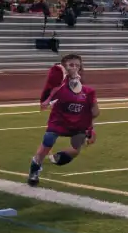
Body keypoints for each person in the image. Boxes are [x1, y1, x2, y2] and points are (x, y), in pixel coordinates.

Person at [29, 54, 98, 186]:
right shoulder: (59, 86)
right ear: (64, 67)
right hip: (59, 121)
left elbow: (90, 112)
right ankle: (35, 169)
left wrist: (90, 129)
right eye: (71, 65)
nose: (75, 68)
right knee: (48, 141)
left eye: (77, 65)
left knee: (76, 148)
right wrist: (47, 100)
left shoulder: (87, 91)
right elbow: (47, 97)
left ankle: (57, 158)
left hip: (77, 124)